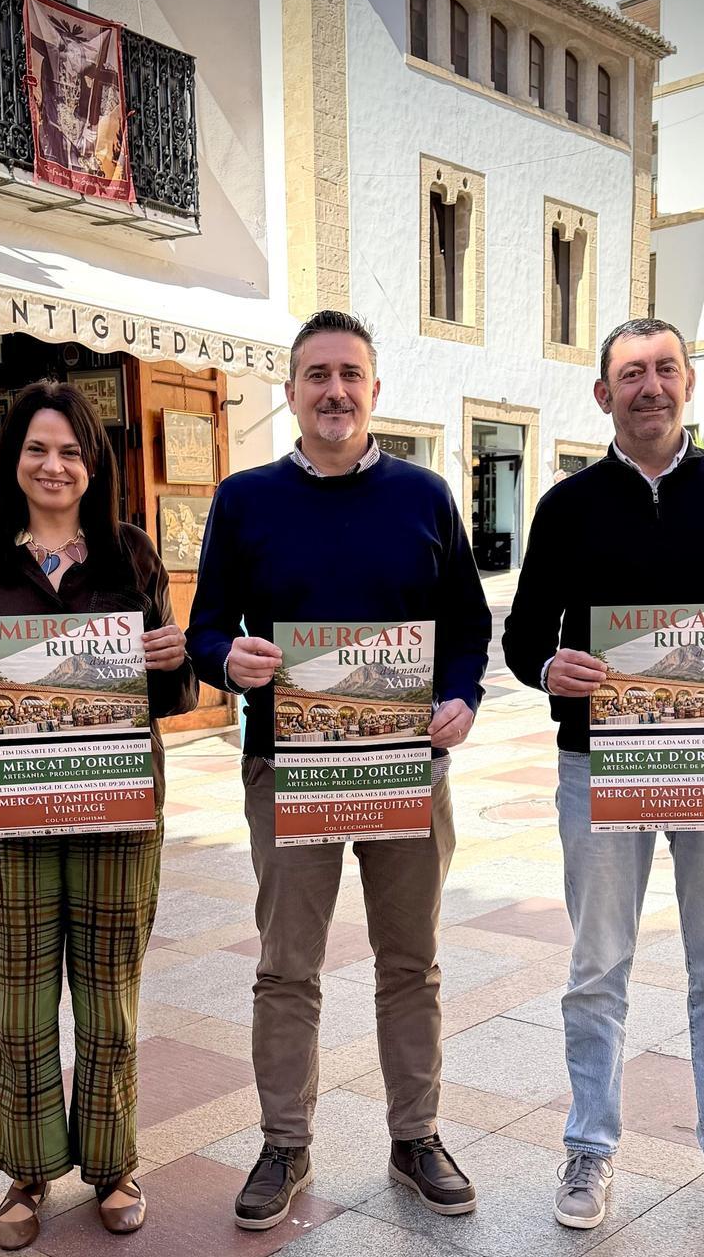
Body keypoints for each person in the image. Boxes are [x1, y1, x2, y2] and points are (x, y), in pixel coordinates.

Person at [186, 310, 491, 1231]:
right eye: (316, 374)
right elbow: (205, 628)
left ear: (376, 390)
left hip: (408, 769)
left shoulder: (426, 496)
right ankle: (285, 1141)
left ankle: (415, 1135)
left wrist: (463, 697)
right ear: (289, 393)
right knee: (287, 968)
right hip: (290, 769)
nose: (334, 391)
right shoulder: (244, 501)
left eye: (350, 374)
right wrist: (225, 659)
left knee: (412, 964)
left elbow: (468, 629)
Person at [502, 318, 704, 1240]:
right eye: (630, 374)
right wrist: (550, 669)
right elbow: (520, 636)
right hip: (600, 767)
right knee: (597, 968)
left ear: (689, 384)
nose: (650, 386)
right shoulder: (566, 505)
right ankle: (590, 1146)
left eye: (665, 368)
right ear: (603, 396)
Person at [0, 381, 198, 1251]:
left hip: (117, 804)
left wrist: (172, 656)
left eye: (71, 450)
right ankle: (26, 1173)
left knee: (110, 999)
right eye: (37, 450)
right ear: (13, 463)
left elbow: (169, 692)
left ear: (94, 463)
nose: (53, 465)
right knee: (23, 1000)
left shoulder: (130, 553)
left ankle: (114, 1164)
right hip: (5, 809)